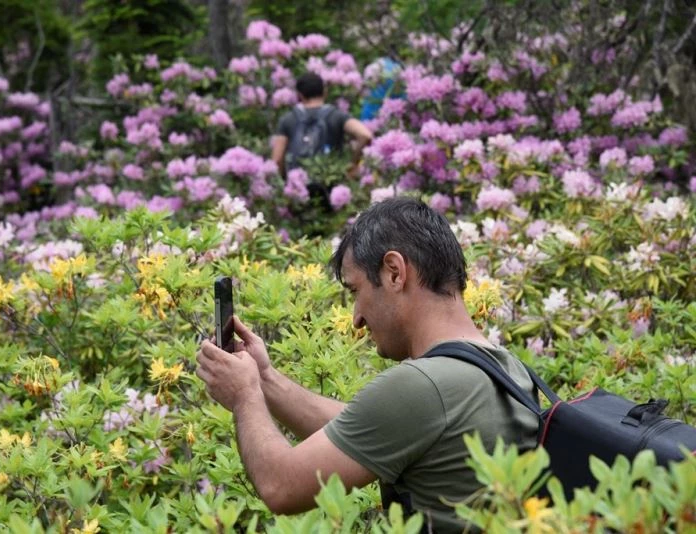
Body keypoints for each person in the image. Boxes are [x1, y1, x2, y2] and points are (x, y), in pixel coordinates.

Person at [195, 197, 539, 533]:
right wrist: (265, 379)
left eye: (355, 290)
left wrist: (245, 395)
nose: (357, 318)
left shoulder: (423, 386)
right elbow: (366, 431)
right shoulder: (506, 370)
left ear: (394, 273)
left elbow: (280, 486)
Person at [271, 72, 373, 181]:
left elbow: (277, 160)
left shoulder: (288, 119)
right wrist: (353, 164)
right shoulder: (336, 116)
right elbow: (365, 135)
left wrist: (285, 182)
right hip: (330, 185)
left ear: (299, 95)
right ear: (324, 92)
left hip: (298, 187)